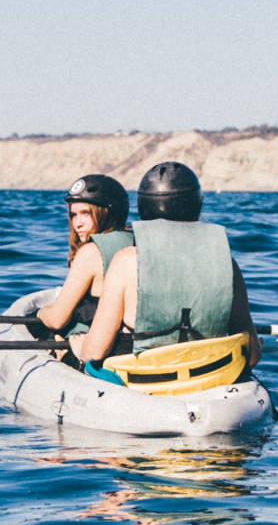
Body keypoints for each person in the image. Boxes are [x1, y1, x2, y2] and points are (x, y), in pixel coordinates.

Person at [68, 160, 252, 377]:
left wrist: (81, 346)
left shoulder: (126, 261)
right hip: (210, 377)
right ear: (197, 204)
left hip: (143, 380)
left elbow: (94, 352)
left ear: (143, 206)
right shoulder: (227, 264)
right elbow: (252, 353)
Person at [31, 173, 131, 334]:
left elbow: (57, 320)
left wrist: (40, 312)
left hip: (90, 341)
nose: (77, 223)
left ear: (106, 212)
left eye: (86, 213)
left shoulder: (91, 252)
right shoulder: (137, 241)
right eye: (73, 215)